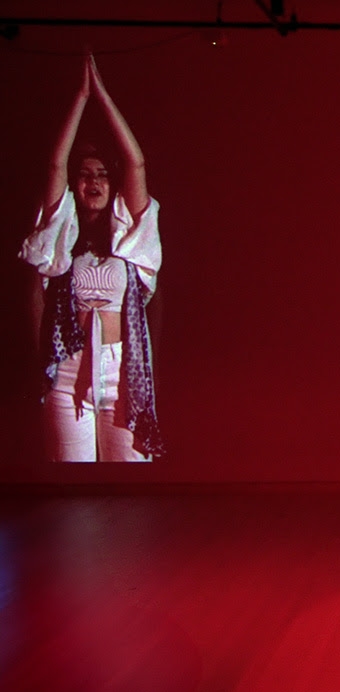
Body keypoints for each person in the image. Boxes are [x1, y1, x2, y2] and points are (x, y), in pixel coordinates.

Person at [18, 55, 164, 462]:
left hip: (121, 377)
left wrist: (99, 94)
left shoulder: (129, 235)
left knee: (131, 488)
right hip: (68, 373)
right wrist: (80, 98)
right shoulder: (62, 233)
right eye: (85, 175)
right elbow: (54, 164)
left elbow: (135, 162)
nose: (93, 181)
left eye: (101, 174)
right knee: (71, 485)